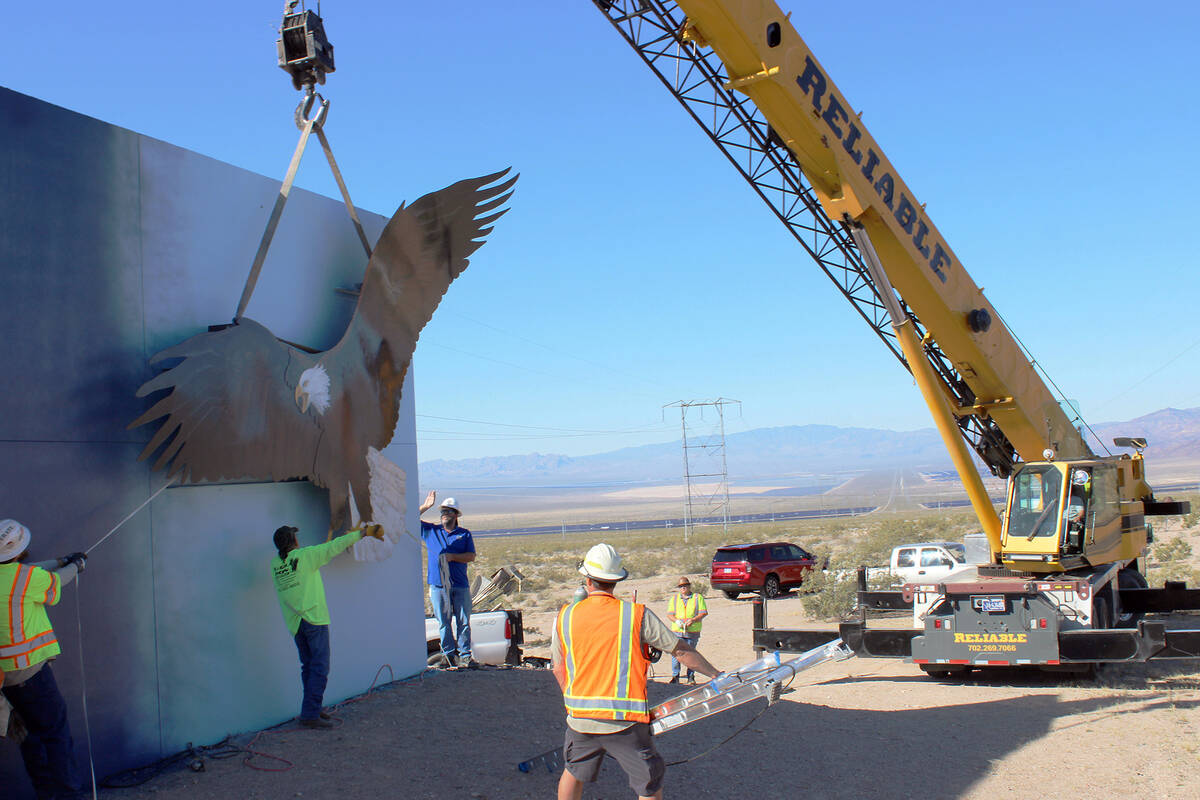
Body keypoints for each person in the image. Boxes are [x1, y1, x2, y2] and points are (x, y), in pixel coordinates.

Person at [552, 543, 721, 800]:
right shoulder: (635, 615)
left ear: (587, 580)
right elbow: (681, 651)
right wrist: (715, 674)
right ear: (617, 580)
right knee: (648, 784)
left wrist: (575, 700)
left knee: (573, 773)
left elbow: (558, 668)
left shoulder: (566, 615)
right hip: (625, 722)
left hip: (581, 719)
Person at [1, 518, 88, 799]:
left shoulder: (18, 576)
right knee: (55, 733)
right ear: (20, 549)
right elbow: (53, 583)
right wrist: (76, 566)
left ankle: (45, 792)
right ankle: (67, 795)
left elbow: (30, 573)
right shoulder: (26, 579)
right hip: (29, 674)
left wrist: (61, 560)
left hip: (4, 677)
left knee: (30, 735)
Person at [271, 522, 380, 728]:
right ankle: (310, 714)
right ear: (294, 541)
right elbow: (335, 546)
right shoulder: (305, 556)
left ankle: (311, 708)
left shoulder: (275, 564)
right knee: (320, 666)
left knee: (309, 667)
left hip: (294, 623)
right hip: (313, 619)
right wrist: (364, 533)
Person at [418, 490, 476, 668]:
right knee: (443, 622)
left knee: (463, 621)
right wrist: (425, 506)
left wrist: (452, 557)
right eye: (442, 511)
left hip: (459, 585)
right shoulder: (431, 531)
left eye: (448, 511)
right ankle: (448, 655)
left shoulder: (464, 534)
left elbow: (471, 556)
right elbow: (407, 519)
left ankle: (465, 655)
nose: (444, 514)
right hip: (438, 585)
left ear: (456, 515)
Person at [666, 576, 707, 684]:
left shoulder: (698, 598)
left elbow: (703, 613)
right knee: (676, 654)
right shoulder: (674, 599)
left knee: (691, 655)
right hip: (677, 631)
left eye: (685, 585)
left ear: (689, 586)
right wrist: (676, 621)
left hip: (692, 632)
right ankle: (675, 676)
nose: (683, 588)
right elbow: (670, 615)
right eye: (681, 586)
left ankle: (691, 676)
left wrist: (693, 620)